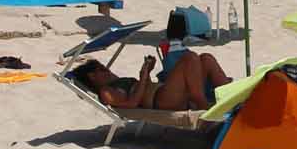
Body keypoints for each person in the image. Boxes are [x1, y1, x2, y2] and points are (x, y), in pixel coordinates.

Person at [70, 49, 230, 112]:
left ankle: (230, 95)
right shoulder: (106, 92)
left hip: (164, 91)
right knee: (189, 58)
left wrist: (147, 71)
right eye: (101, 69)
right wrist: (144, 74)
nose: (107, 69)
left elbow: (141, 86)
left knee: (205, 59)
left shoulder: (115, 83)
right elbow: (132, 104)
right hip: (160, 100)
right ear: (92, 76)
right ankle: (202, 104)